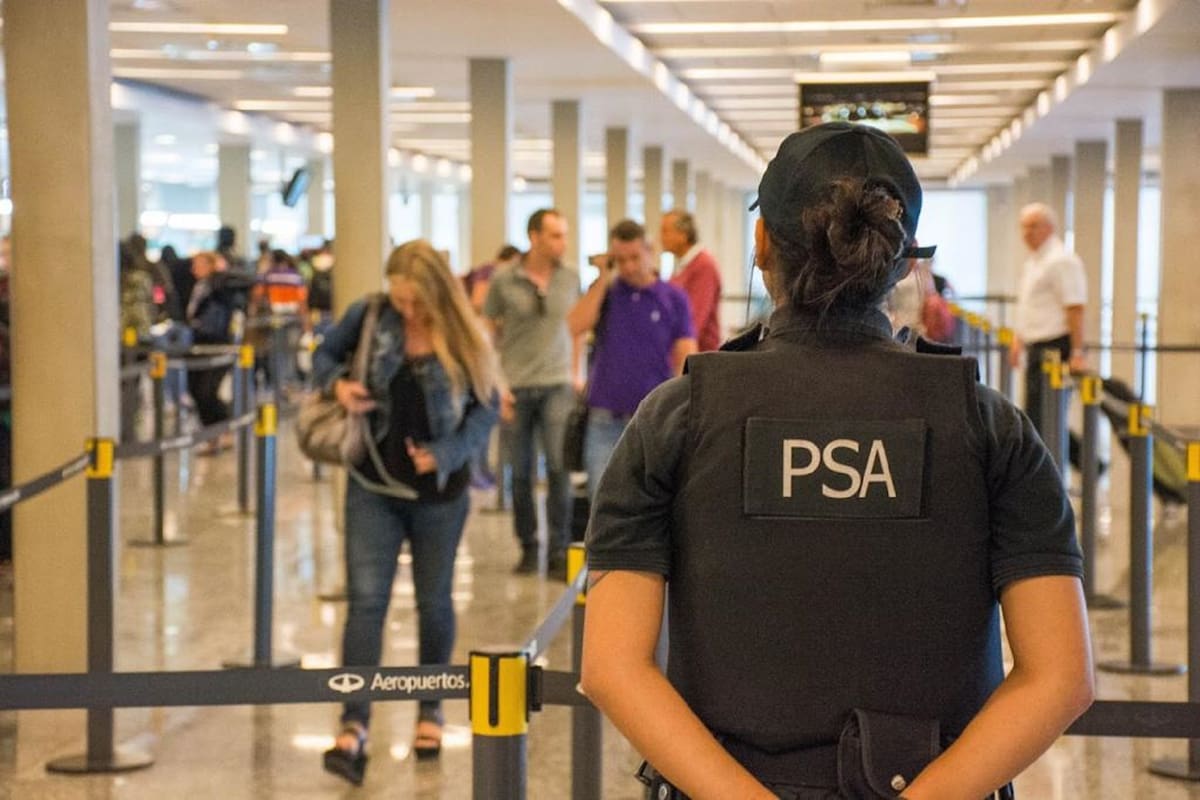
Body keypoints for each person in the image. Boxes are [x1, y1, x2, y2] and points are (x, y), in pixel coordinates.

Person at [581, 122, 1094, 800]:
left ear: (762, 244)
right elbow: (1061, 676)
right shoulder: (988, 423)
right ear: (904, 260)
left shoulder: (677, 415)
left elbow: (612, 666)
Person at [313, 240, 499, 786]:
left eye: (418, 302)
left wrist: (446, 453)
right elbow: (323, 355)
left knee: (433, 602)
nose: (408, 311)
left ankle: (430, 710)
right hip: (372, 483)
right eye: (400, 301)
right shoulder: (370, 314)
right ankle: (353, 725)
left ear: (438, 293)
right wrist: (338, 384)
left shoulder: (463, 332)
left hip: (439, 493)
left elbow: (487, 408)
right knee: (366, 603)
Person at [483, 209, 581, 579]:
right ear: (534, 237)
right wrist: (497, 383)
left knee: (558, 468)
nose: (562, 243)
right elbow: (488, 333)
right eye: (555, 235)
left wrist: (576, 372)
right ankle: (528, 546)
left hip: (557, 383)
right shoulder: (504, 280)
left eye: (564, 235)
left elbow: (577, 328)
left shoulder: (571, 278)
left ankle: (558, 550)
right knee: (520, 472)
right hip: (516, 386)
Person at [566, 219, 695, 498]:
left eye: (635, 257)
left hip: (652, 418)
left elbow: (686, 352)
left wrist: (680, 404)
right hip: (605, 419)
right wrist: (603, 277)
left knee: (649, 499)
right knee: (601, 499)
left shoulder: (673, 297)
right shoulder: (607, 293)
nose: (628, 267)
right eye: (620, 260)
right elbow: (575, 325)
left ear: (649, 251)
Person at [1010, 202, 1088, 439]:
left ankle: (1074, 459)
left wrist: (1077, 352)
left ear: (1049, 227)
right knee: (1036, 416)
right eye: (1024, 227)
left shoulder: (1062, 260)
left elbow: (1075, 308)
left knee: (1046, 419)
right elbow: (1030, 306)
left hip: (1055, 348)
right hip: (1037, 347)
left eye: (1033, 226)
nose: (1027, 233)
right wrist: (1018, 339)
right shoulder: (1034, 262)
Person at [185, 251, 241, 452]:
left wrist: (221, 272)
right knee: (196, 389)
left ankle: (223, 430)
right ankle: (211, 434)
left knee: (207, 391)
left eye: (199, 264)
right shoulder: (199, 287)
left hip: (218, 343)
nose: (194, 269)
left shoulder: (220, 285)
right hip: (199, 343)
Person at [661, 209, 722, 352]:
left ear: (683, 235)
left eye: (665, 231)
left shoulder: (703, 265)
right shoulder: (682, 265)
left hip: (699, 355)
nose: (661, 237)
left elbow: (694, 320)